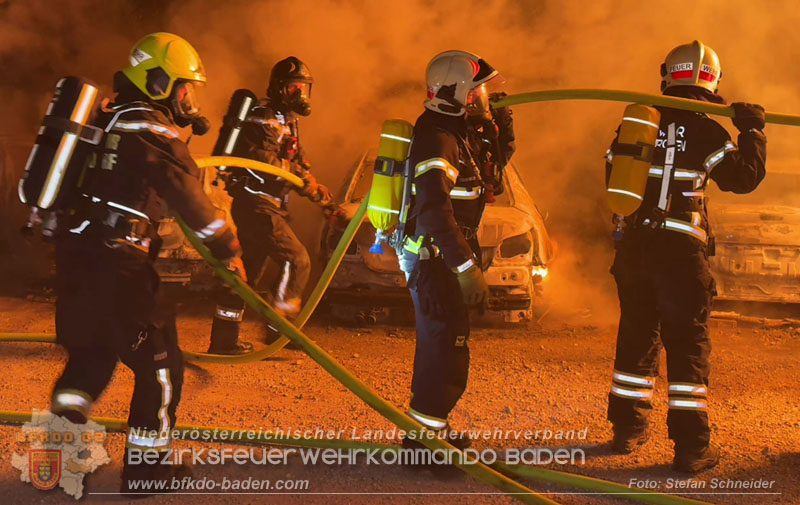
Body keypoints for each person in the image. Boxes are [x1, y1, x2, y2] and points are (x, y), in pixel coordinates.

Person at [49, 32, 244, 493]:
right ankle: (146, 472)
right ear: (158, 83)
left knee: (90, 360)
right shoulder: (151, 128)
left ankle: (58, 453)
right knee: (160, 365)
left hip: (78, 258)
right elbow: (190, 199)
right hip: (120, 268)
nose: (188, 99)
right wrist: (230, 249)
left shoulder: (107, 119)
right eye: (183, 88)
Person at [605, 40, 767, 473]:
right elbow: (743, 179)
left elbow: (613, 177)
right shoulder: (707, 129)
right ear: (710, 81)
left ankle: (627, 429)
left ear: (667, 74)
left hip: (635, 250)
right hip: (679, 255)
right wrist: (752, 131)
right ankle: (692, 449)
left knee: (636, 336)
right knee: (686, 346)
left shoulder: (637, 122)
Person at [399, 50, 504, 448]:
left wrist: (498, 128)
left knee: (445, 349)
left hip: (443, 261)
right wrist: (465, 268)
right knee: (443, 352)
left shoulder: (456, 133)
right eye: (479, 92)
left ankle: (431, 437)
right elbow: (433, 209)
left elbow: (495, 171)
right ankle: (424, 448)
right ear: (460, 93)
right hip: (435, 261)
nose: (484, 98)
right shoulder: (438, 139)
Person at [208, 56, 336, 354]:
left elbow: (298, 164)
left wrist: (319, 193)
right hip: (257, 205)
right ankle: (280, 331)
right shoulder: (267, 117)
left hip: (266, 206)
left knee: (245, 275)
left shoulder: (289, 122)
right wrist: (300, 179)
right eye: (294, 88)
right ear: (279, 88)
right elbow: (263, 161)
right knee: (297, 260)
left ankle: (223, 341)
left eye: (304, 88)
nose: (300, 95)